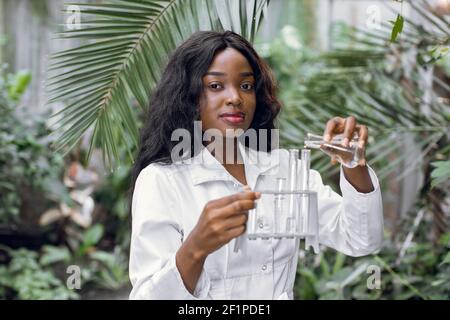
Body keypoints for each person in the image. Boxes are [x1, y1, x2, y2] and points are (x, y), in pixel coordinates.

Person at [129, 31, 384, 300]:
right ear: (189, 97)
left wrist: (354, 164)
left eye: (246, 86)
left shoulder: (284, 169)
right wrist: (196, 248)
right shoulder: (162, 180)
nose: (235, 98)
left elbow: (361, 238)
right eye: (216, 86)